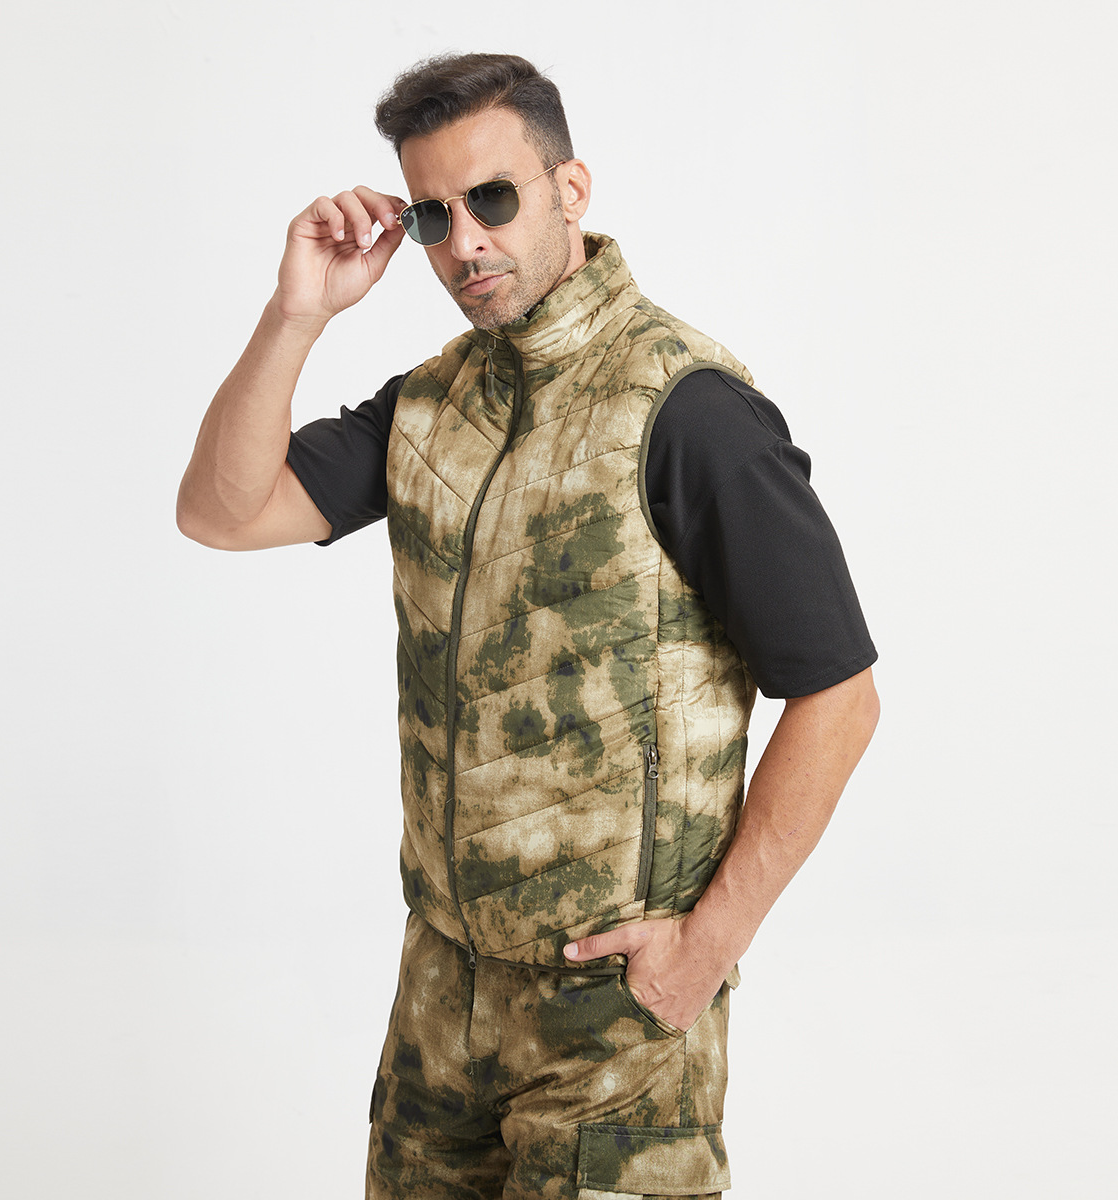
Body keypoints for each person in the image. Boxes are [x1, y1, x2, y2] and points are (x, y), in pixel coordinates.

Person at [178, 51, 879, 1200]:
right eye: (431, 216)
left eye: (492, 199)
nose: (465, 243)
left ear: (570, 188)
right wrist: (295, 315)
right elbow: (219, 510)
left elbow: (841, 697)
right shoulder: (430, 404)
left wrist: (705, 950)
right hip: (438, 1002)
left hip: (615, 1019)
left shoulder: (687, 409)